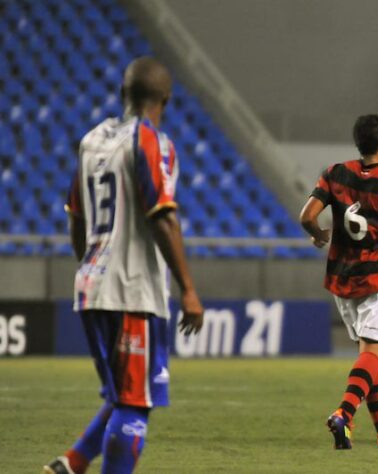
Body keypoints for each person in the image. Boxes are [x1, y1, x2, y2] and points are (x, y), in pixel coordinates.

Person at [44, 57, 204, 474]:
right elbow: (163, 216)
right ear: (165, 99)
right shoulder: (150, 140)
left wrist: (92, 268)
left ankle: (71, 463)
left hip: (92, 285)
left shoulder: (91, 140)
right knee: (135, 405)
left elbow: (75, 218)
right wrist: (188, 288)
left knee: (124, 394)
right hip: (133, 289)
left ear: (123, 94)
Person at [300, 114, 378, 450]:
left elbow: (307, 216)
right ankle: (344, 413)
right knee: (374, 355)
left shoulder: (335, 172)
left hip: (344, 277)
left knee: (368, 355)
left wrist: (320, 234)